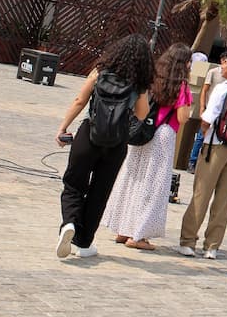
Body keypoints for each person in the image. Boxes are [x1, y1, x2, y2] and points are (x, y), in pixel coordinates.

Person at [55, 34, 154, 259]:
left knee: (73, 184)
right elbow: (142, 114)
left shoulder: (99, 72)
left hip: (88, 134)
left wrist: (63, 127)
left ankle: (69, 223)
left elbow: (80, 101)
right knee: (99, 193)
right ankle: (84, 243)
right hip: (116, 143)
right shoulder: (138, 84)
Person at [103, 42, 194, 251]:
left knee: (133, 178)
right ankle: (139, 235)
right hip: (163, 135)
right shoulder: (181, 85)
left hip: (142, 131)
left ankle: (123, 228)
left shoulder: (153, 78)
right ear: (184, 63)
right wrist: (189, 104)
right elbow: (183, 117)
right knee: (154, 185)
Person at [179, 50, 227, 259]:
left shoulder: (223, 88)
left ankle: (188, 241)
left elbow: (207, 118)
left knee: (201, 193)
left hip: (215, 145)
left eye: (226, 63)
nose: (222, 67)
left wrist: (205, 134)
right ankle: (212, 246)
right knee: (223, 198)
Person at [188, 60, 226, 174]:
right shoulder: (213, 72)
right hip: (210, 110)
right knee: (201, 136)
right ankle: (192, 162)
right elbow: (204, 90)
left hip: (223, 113)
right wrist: (202, 107)